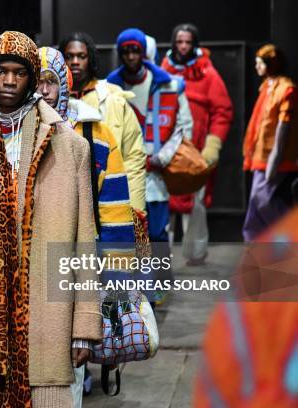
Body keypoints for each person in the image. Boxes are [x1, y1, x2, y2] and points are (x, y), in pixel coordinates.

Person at [0, 31, 101, 407]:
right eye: (1, 72)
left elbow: (82, 243)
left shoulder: (70, 148)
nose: (10, 81)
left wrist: (84, 325)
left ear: (32, 77)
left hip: (48, 316)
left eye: (20, 72)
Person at [38, 46, 135, 408]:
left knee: (70, 373)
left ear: (65, 83)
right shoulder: (16, 134)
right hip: (28, 270)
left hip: (78, 264)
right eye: (39, 80)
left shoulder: (96, 134)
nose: (44, 90)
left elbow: (114, 214)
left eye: (52, 81)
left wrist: (118, 290)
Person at [107, 28, 193, 303]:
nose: (132, 56)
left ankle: (160, 284)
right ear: (120, 53)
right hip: (122, 172)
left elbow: (182, 127)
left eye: (136, 50)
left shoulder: (168, 84)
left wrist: (161, 158)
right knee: (126, 233)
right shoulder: (110, 86)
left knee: (156, 232)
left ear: (143, 52)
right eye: (126, 51)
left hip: (156, 172)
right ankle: (134, 288)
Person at [161, 23, 234, 264]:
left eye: (188, 42)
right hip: (169, 149)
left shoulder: (207, 73)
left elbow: (222, 110)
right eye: (179, 41)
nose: (183, 46)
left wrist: (213, 145)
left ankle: (196, 253)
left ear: (195, 44)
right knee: (165, 202)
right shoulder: (165, 69)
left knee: (196, 203)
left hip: (197, 150)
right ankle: (164, 256)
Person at [60, 32, 147, 214]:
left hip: (109, 195)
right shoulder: (50, 100)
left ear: (90, 59)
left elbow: (133, 156)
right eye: (69, 56)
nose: (75, 61)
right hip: (64, 199)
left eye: (81, 56)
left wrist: (135, 208)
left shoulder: (112, 99)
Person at [242, 44, 298, 242]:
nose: (256, 67)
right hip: (260, 153)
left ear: (270, 64)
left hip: (274, 156)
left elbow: (283, 130)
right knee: (256, 201)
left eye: (260, 63)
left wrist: (274, 159)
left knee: (262, 199)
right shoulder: (267, 86)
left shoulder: (286, 89)